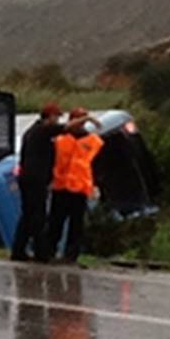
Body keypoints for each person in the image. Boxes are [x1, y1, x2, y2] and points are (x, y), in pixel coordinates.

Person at [11, 102, 96, 262]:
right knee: (38, 216)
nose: (57, 120)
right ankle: (40, 254)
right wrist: (88, 118)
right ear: (49, 117)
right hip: (39, 181)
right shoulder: (43, 131)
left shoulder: (32, 132)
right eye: (56, 117)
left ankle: (19, 251)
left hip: (34, 179)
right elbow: (66, 127)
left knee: (29, 215)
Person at [39, 107, 104, 264]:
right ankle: (49, 253)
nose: (79, 124)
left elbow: (98, 166)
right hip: (60, 187)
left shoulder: (94, 142)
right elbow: (50, 161)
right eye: (77, 119)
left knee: (76, 226)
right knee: (55, 223)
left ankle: (71, 256)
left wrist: (97, 185)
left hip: (80, 189)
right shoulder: (58, 139)